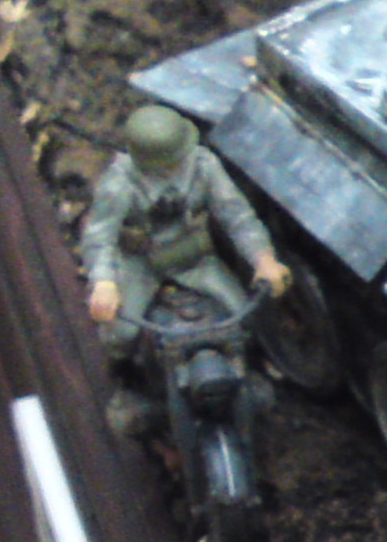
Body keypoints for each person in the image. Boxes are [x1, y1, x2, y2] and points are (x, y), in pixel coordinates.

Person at [81, 104, 290, 362]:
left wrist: (262, 257)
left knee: (245, 316)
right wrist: (104, 282)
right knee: (121, 333)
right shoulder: (119, 185)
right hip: (139, 262)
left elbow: (236, 214)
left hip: (190, 254)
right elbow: (99, 237)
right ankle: (123, 369)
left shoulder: (203, 165)